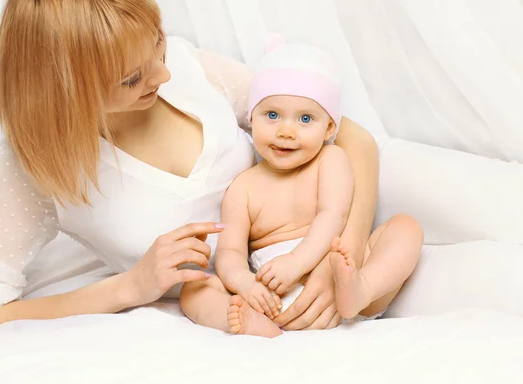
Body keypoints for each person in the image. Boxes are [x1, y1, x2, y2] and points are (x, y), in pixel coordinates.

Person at [0, 0, 391, 334]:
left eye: (156, 42)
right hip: (224, 290)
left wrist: (343, 252)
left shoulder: (187, 65)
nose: (162, 76)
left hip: (302, 246)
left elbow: (351, 138)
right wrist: (130, 287)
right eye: (131, 78)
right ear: (66, 94)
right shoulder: (35, 166)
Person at [179, 38, 424, 337]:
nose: (286, 131)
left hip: (339, 276)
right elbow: (230, 250)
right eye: (272, 115)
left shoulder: (331, 159)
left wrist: (297, 263)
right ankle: (249, 323)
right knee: (195, 286)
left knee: (406, 228)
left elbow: (333, 216)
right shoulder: (243, 186)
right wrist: (244, 282)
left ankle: (364, 289)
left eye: (305, 119)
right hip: (271, 294)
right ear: (251, 119)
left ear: (330, 128)